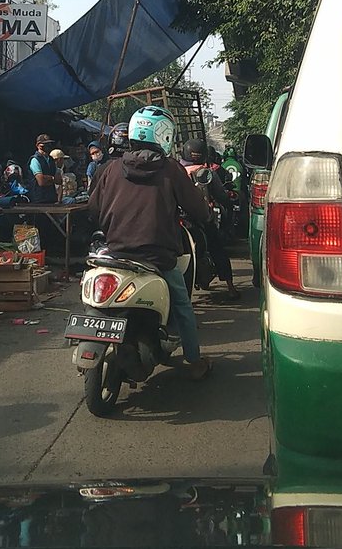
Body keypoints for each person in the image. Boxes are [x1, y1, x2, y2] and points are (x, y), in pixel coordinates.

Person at [87, 105, 213, 380]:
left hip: (116, 253)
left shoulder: (110, 169)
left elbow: (93, 211)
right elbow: (198, 211)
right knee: (181, 305)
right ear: (163, 135)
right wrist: (205, 214)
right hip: (157, 258)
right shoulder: (170, 170)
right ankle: (194, 361)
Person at [181, 139, 240, 299]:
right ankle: (230, 287)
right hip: (203, 217)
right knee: (217, 247)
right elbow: (221, 195)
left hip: (182, 219)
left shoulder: (177, 172)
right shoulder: (208, 173)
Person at [27, 134, 60, 204]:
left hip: (51, 198)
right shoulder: (35, 160)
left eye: (49, 143)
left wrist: (48, 178)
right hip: (38, 200)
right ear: (38, 145)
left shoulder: (51, 160)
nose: (48, 146)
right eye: (45, 144)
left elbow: (59, 180)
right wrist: (52, 179)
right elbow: (41, 182)